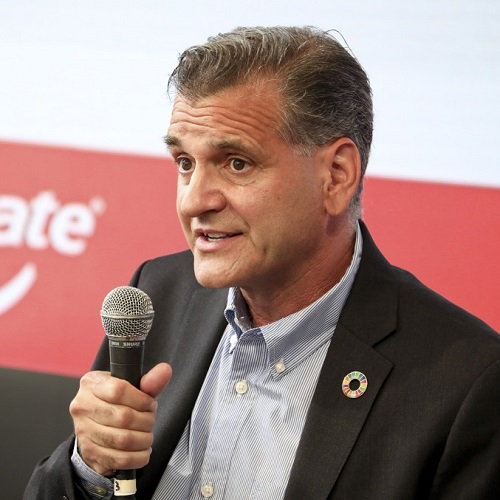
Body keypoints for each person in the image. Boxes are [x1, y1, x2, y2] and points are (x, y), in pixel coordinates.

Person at [25, 26, 500, 500]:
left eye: (236, 163)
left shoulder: (467, 383)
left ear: (336, 176)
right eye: (185, 162)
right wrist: (90, 467)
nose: (194, 201)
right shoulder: (156, 294)